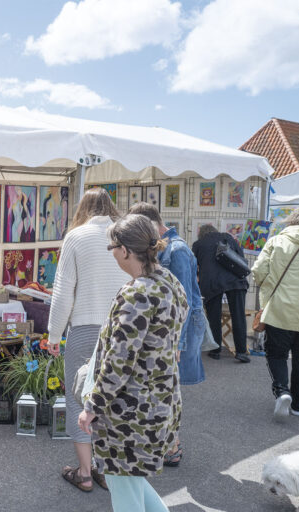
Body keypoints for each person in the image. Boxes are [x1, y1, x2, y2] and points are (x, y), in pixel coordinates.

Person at [78, 214, 188, 512]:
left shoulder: (138, 292)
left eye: (112, 246)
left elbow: (119, 360)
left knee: (125, 488)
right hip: (158, 403)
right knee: (129, 481)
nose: (112, 253)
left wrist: (92, 407)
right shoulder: (169, 282)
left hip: (129, 414)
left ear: (125, 249)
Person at [47, 187, 127, 493]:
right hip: (120, 329)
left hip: (84, 328)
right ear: (111, 207)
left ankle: (83, 471)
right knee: (113, 400)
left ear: (83, 207)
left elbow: (63, 290)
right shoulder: (122, 237)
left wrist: (54, 334)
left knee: (79, 397)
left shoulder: (76, 236)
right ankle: (105, 470)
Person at [129, 203, 208, 466]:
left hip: (176, 333)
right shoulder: (170, 247)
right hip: (171, 332)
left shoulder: (178, 250)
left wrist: (177, 343)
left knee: (169, 390)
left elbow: (181, 299)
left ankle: (172, 446)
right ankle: (167, 443)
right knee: (166, 390)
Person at [251, 205, 299, 420]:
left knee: (277, 354)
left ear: (292, 221)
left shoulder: (277, 241)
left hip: (280, 310)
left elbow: (258, 272)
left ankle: (282, 391)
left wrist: (269, 290)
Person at [192, 224, 250, 362]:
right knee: (238, 316)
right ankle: (241, 351)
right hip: (236, 280)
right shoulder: (228, 238)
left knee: (214, 316)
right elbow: (241, 258)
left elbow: (195, 265)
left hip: (211, 283)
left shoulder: (198, 244)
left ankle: (215, 350)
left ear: (201, 234)